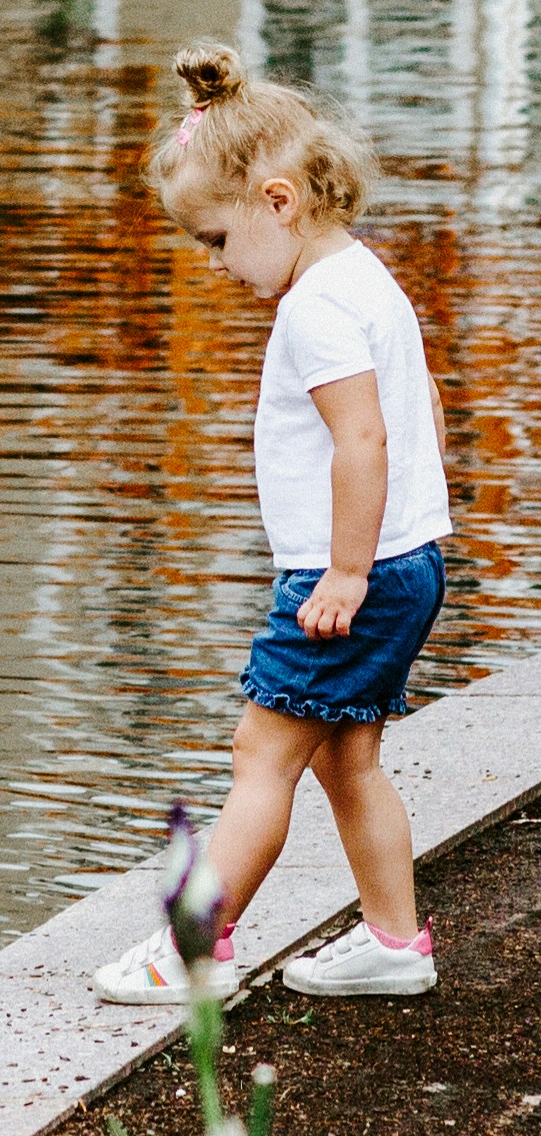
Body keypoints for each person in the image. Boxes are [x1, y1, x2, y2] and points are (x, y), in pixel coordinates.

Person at [94, 43, 452, 1005]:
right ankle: (393, 942)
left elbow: (362, 441)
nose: (213, 265)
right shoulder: (365, 279)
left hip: (350, 577)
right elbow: (414, 423)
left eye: (215, 240)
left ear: (280, 202)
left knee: (261, 758)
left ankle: (190, 949)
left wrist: (342, 573)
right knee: (347, 758)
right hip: (405, 562)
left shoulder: (314, 312)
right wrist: (388, 552)